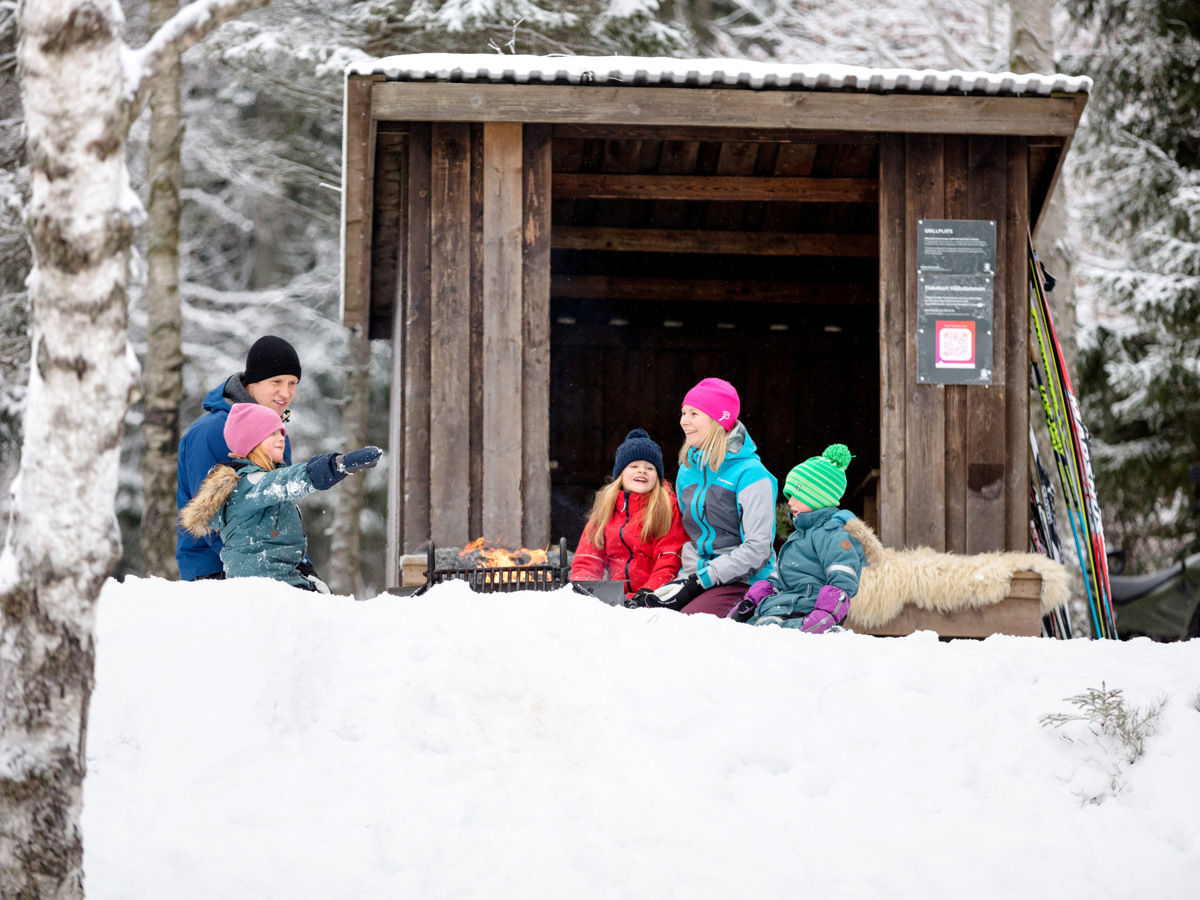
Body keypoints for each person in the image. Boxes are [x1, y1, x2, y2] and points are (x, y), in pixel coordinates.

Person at [179, 404, 382, 591]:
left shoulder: (260, 484)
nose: (281, 438)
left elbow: (280, 548)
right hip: (263, 590)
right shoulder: (249, 484)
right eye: (272, 433)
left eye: (282, 432)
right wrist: (337, 465)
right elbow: (291, 479)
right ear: (251, 441)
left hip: (279, 583)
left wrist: (310, 578)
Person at [627, 378, 777, 617]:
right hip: (693, 576)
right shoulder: (687, 470)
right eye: (683, 412)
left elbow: (757, 549)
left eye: (694, 413)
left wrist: (700, 581)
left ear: (718, 420)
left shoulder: (751, 474)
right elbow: (683, 535)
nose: (683, 421)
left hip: (741, 581)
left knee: (686, 624)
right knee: (647, 615)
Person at [176, 335, 302, 581]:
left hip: (268, 568)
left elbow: (279, 513)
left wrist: (300, 564)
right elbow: (210, 515)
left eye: (293, 383)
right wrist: (263, 566)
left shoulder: (276, 436)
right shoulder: (210, 432)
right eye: (276, 381)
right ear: (252, 382)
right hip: (215, 572)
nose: (286, 393)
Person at [742, 444, 867, 632]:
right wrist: (752, 600)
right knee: (743, 633)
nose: (790, 501)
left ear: (818, 497)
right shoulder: (800, 535)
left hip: (805, 611)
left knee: (769, 634)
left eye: (797, 495)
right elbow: (783, 576)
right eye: (789, 495)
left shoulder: (835, 535)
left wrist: (823, 616)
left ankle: (831, 635)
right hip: (784, 605)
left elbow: (842, 580)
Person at [570, 429, 689, 599]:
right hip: (614, 598)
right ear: (621, 474)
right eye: (634, 466)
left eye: (650, 468)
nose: (642, 471)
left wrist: (648, 594)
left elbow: (669, 560)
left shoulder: (666, 508)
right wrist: (586, 588)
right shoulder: (606, 509)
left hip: (652, 597)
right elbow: (588, 557)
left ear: (657, 476)